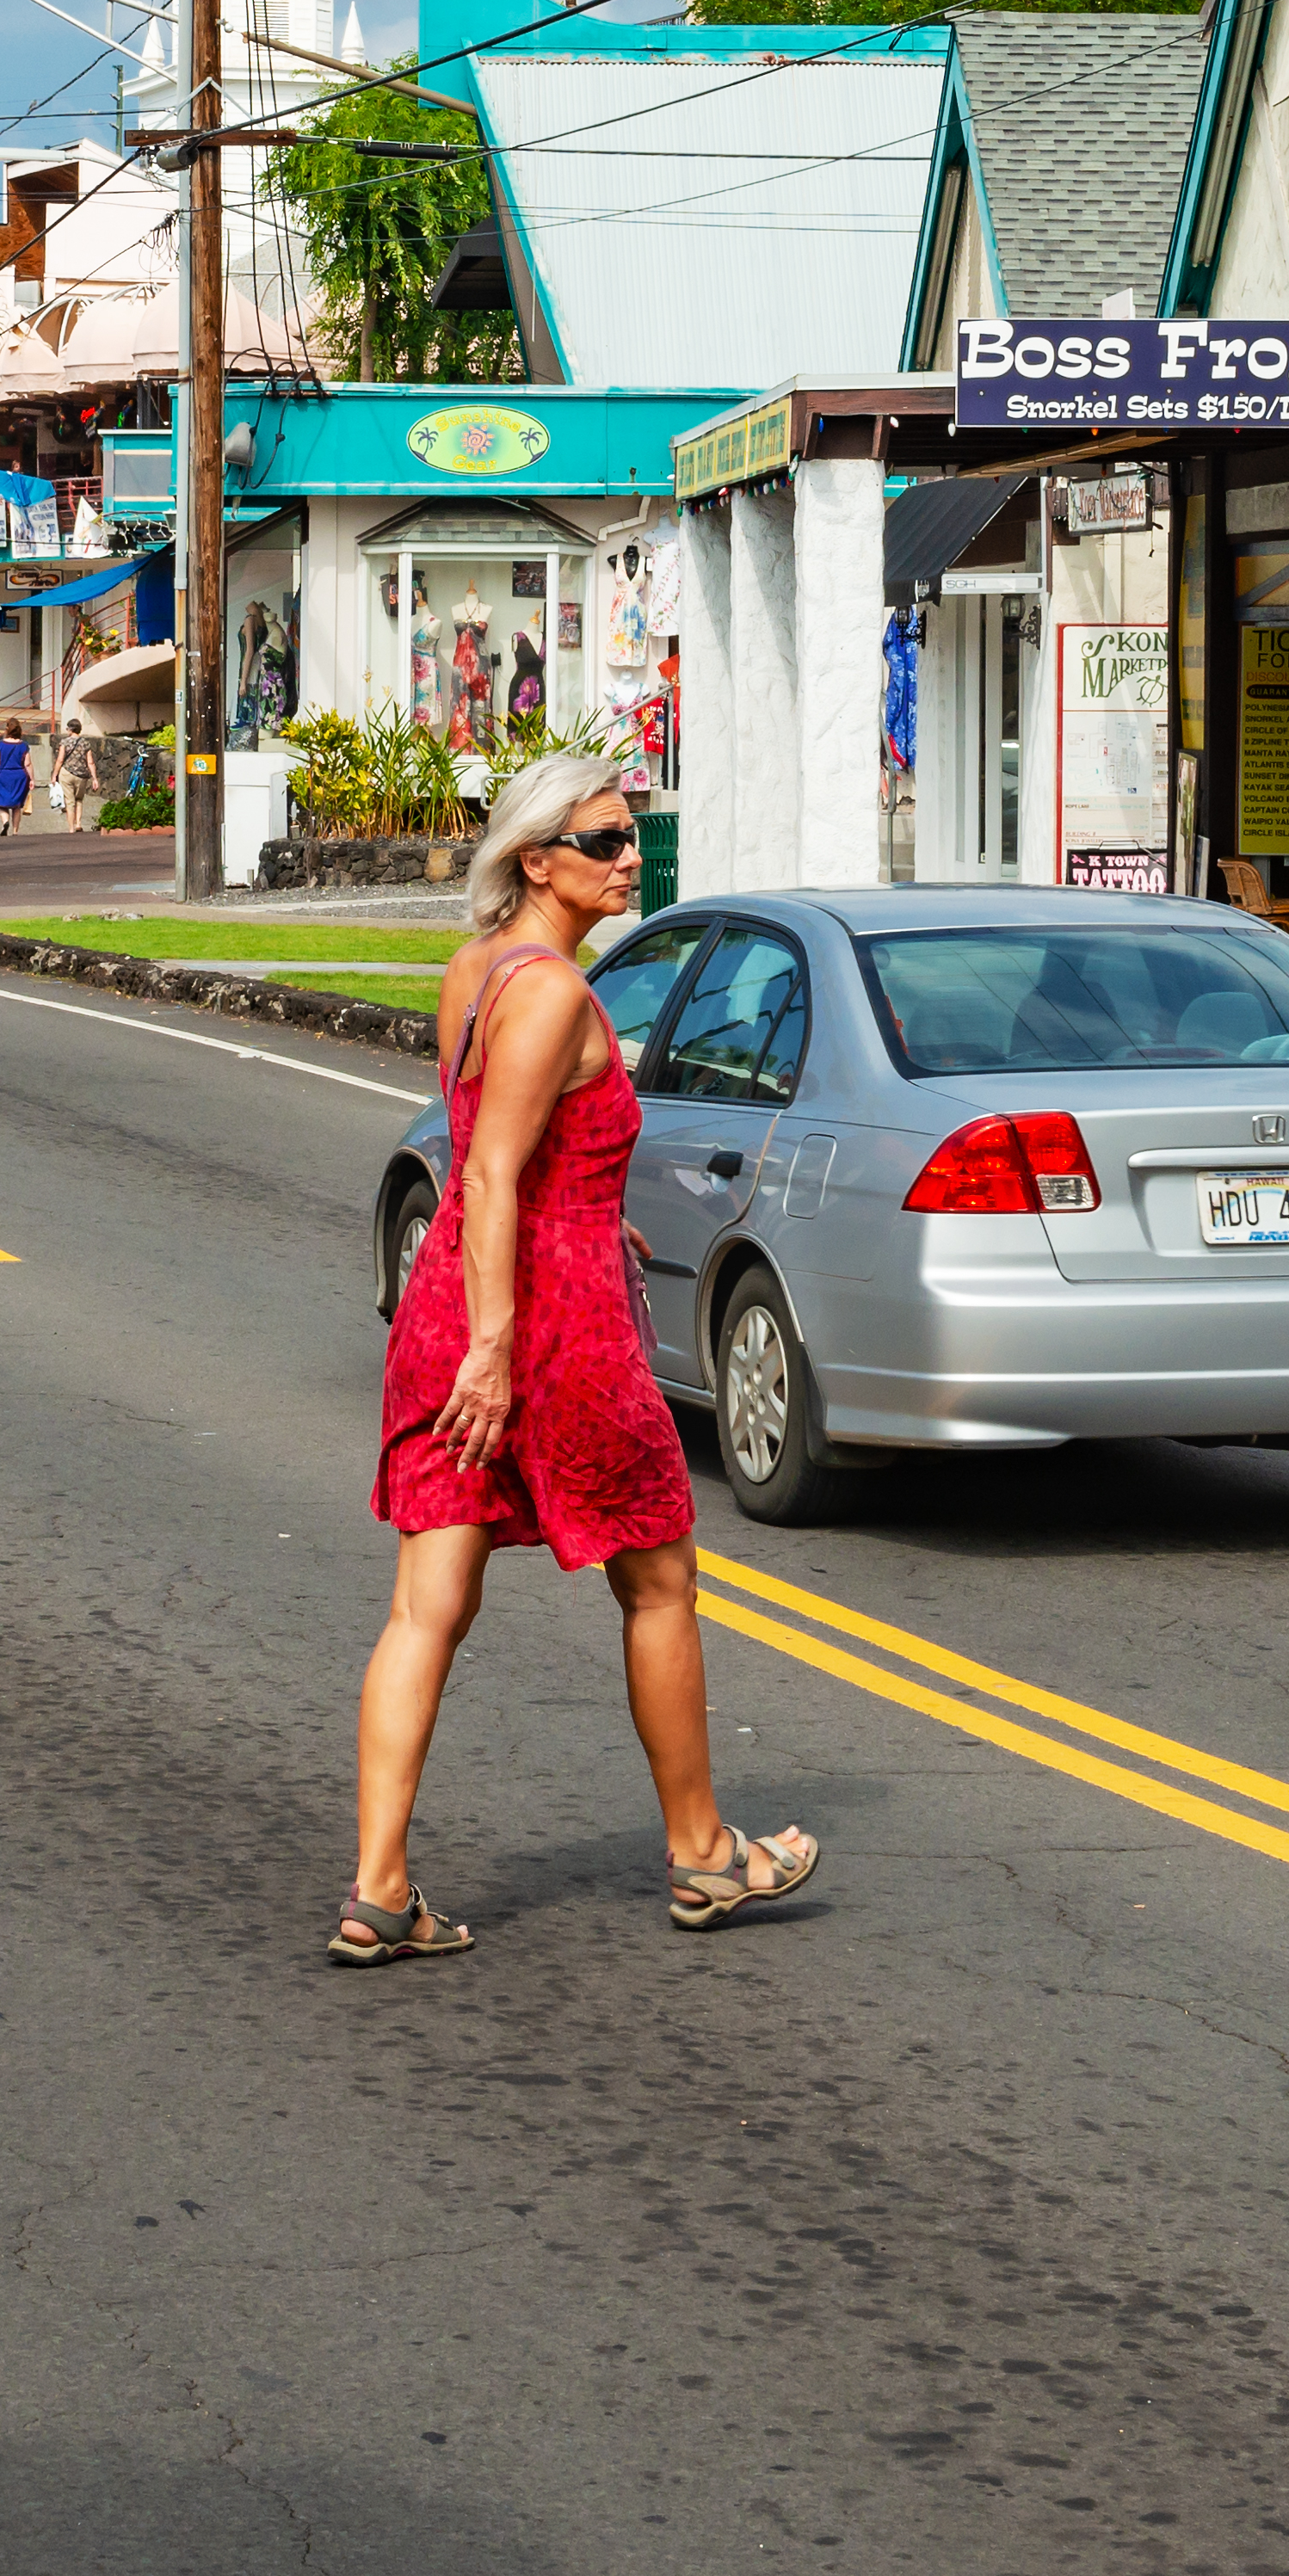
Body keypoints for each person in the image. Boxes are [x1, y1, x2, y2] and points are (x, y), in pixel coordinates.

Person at [340, 748, 820, 1963]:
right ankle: (704, 1853)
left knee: (425, 1607)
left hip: (451, 1306)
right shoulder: (554, 991)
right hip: (551, 1331)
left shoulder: (474, 972)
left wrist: (595, 1214)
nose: (628, 858)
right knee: (658, 1581)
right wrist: (499, 1350)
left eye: (630, 835)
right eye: (603, 841)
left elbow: (498, 1152)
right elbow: (493, 1173)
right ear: (534, 860)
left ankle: (379, 1890)